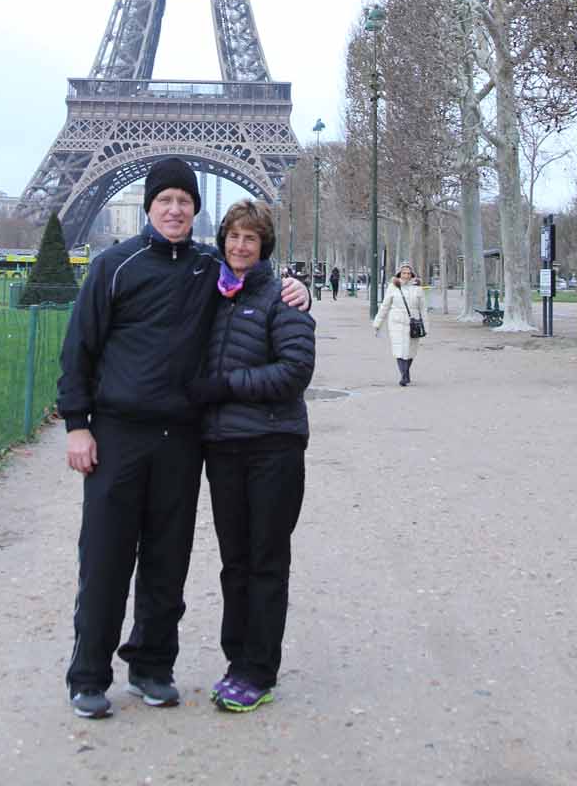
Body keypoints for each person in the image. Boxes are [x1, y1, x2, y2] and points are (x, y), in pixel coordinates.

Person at [57, 158, 310, 721]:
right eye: (165, 200)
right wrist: (77, 424)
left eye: (184, 201)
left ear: (196, 210)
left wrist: (298, 289)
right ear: (149, 206)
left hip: (182, 439)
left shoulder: (208, 267)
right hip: (119, 434)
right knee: (105, 559)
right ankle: (89, 674)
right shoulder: (113, 266)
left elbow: (255, 274)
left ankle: (152, 665)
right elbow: (79, 349)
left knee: (167, 563)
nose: (175, 209)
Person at [188, 200, 315, 713]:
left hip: (272, 447)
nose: (240, 246)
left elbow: (295, 370)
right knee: (234, 562)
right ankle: (236, 660)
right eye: (234, 237)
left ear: (264, 246)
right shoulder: (209, 293)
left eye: (251, 238)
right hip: (223, 449)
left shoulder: (283, 296)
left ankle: (258, 670)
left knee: (265, 560)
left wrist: (224, 386)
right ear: (222, 241)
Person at [372, 263, 428, 386]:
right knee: (399, 349)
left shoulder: (418, 289)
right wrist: (377, 323)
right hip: (396, 323)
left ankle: (406, 372)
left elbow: (423, 309)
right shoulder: (393, 287)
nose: (406, 275)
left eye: (408, 273)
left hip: (413, 324)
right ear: (399, 274)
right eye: (404, 273)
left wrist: (425, 326)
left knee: (411, 351)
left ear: (412, 275)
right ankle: (404, 376)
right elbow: (385, 306)